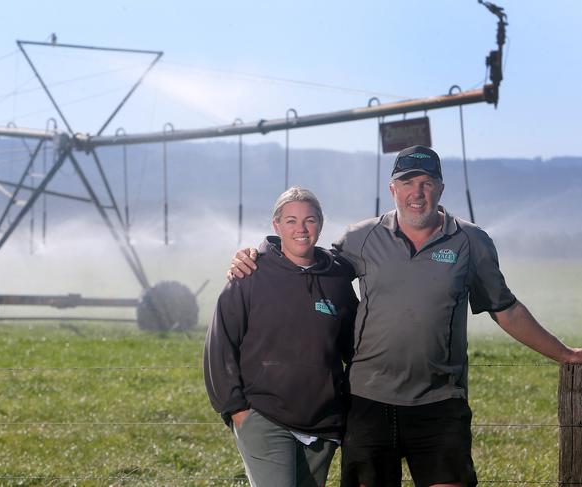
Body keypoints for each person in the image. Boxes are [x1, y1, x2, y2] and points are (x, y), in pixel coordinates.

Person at [228, 145, 582, 487]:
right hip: (368, 401)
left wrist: (565, 354)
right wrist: (258, 253)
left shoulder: (471, 241)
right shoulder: (361, 238)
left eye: (427, 183)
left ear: (441, 188)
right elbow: (310, 264)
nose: (417, 192)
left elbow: (505, 308)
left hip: (440, 402)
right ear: (392, 189)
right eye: (408, 182)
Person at [204, 187, 358, 487]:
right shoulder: (250, 274)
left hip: (322, 423)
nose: (301, 229)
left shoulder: (337, 279)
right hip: (263, 416)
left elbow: (355, 348)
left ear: (321, 224)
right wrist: (237, 410)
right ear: (276, 225)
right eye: (290, 220)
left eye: (310, 220)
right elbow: (220, 345)